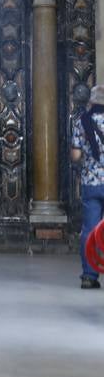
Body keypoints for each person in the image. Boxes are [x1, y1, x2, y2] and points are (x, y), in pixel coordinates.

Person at [71, 85, 104, 289]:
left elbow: (75, 155)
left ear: (91, 102)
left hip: (91, 183)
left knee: (89, 230)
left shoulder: (82, 121)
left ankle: (89, 276)